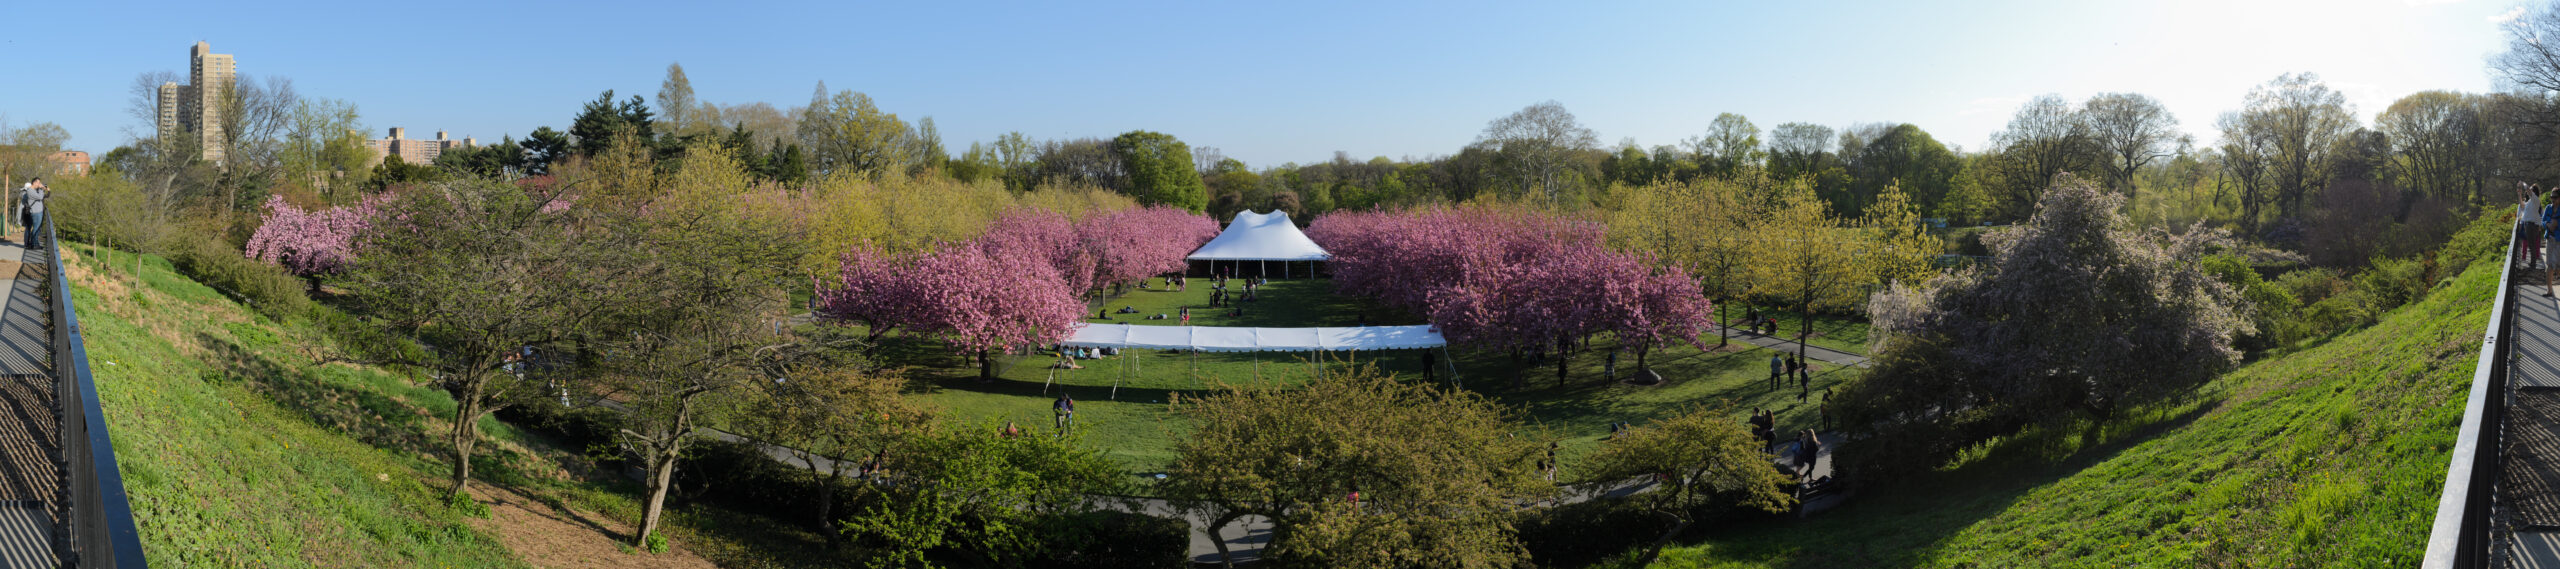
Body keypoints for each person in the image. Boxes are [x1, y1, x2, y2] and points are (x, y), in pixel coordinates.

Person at [17, 178, 44, 250]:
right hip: (28, 212)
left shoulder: (24, 193)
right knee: (30, 228)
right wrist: (40, 190)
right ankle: (29, 244)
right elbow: (39, 197)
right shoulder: (27, 193)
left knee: (29, 228)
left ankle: (28, 243)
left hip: (27, 212)